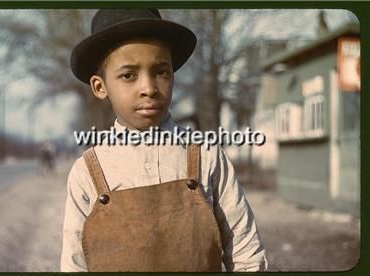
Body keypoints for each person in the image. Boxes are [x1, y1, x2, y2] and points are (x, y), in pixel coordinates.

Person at [61, 9, 267, 272]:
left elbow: (246, 251)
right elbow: (74, 264)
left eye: (161, 72)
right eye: (128, 75)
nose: (149, 87)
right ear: (101, 87)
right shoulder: (87, 173)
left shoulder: (206, 156)